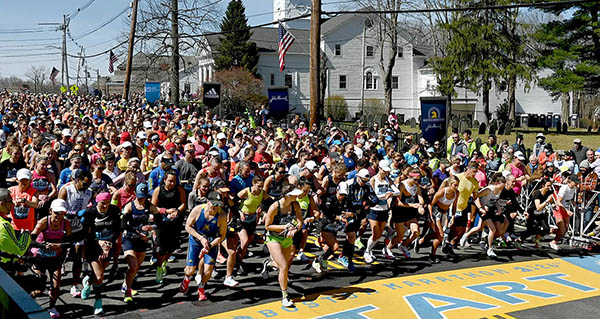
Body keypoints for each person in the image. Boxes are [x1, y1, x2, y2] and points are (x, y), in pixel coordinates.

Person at [180, 191, 227, 300]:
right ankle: (187, 279)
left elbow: (222, 236)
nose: (216, 207)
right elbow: (188, 227)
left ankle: (201, 287)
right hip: (196, 241)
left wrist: (209, 246)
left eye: (219, 204)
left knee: (208, 270)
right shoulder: (197, 210)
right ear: (208, 201)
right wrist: (201, 238)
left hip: (211, 242)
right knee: (190, 270)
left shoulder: (222, 215)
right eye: (214, 204)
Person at [80, 192, 121, 315]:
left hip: (108, 245)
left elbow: (117, 229)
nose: (105, 206)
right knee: (100, 276)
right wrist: (99, 242)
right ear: (97, 202)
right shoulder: (90, 213)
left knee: (100, 272)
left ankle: (88, 281)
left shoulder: (114, 210)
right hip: (93, 246)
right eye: (103, 203)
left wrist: (108, 243)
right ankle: (98, 302)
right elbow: (85, 234)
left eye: (108, 203)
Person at [263, 183, 304, 307]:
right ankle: (285, 296)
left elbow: (300, 221)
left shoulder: (294, 205)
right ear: (287, 195)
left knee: (282, 265)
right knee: (284, 266)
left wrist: (294, 230)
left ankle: (269, 264)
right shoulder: (275, 207)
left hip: (286, 238)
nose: (297, 197)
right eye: (294, 195)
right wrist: (284, 227)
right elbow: (267, 226)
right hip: (273, 237)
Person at [30, 199, 71, 318]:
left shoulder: (66, 223)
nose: (59, 216)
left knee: (56, 285)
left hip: (54, 258)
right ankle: (28, 299)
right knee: (39, 288)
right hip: (40, 257)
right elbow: (31, 240)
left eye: (62, 213)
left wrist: (59, 245)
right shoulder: (43, 222)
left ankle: (52, 307)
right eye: (56, 213)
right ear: (50, 211)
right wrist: (44, 245)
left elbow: (69, 242)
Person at [121, 184, 159, 303]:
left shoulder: (150, 206)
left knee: (135, 268)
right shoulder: (130, 207)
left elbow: (160, 222)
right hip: (129, 238)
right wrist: (138, 232)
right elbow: (123, 225)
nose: (142, 200)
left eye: (144, 197)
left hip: (142, 241)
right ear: (135, 195)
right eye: (140, 197)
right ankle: (128, 291)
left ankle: (126, 282)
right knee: (133, 266)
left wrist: (152, 227)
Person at [151, 169, 186, 283]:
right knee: (161, 248)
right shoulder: (158, 190)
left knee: (172, 247)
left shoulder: (179, 189)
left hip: (175, 221)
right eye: (170, 181)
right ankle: (159, 268)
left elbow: (183, 204)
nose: (172, 183)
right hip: (161, 221)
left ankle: (165, 261)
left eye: (174, 181)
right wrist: (166, 211)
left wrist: (177, 211)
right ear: (164, 180)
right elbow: (153, 207)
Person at [364, 160, 396, 263]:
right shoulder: (373, 180)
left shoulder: (388, 179)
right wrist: (386, 195)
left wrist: (391, 193)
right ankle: (367, 252)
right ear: (379, 168)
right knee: (374, 234)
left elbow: (396, 190)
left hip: (384, 209)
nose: (386, 173)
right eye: (384, 170)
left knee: (379, 235)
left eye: (387, 171)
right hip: (374, 209)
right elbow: (373, 195)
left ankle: (370, 251)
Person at [428, 176, 458, 263]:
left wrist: (452, 216)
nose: (456, 187)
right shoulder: (442, 192)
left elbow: (454, 206)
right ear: (450, 184)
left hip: (445, 213)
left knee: (439, 234)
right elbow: (430, 204)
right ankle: (432, 255)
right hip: (436, 212)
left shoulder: (457, 193)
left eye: (457, 186)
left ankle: (421, 240)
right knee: (440, 235)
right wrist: (430, 217)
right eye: (455, 185)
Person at [550, 174, 578, 250]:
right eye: (575, 182)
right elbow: (558, 202)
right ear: (570, 181)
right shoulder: (564, 188)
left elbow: (570, 199)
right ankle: (553, 241)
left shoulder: (574, 188)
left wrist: (577, 206)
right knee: (562, 231)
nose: (576, 183)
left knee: (565, 230)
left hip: (566, 209)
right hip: (559, 209)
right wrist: (567, 211)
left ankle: (550, 232)